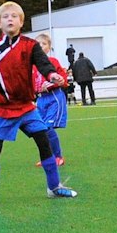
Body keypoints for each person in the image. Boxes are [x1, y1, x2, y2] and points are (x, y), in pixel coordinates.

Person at [0, 2, 74, 206]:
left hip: (26, 107)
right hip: (1, 108)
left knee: (44, 141)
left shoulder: (30, 46)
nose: (10, 19)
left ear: (21, 22)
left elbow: (43, 64)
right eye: (6, 16)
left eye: (14, 16)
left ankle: (54, 187)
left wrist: (52, 74)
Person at [32, 34, 69, 166]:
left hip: (54, 97)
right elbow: (31, 84)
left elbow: (63, 78)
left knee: (47, 127)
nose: (41, 46)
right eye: (38, 44)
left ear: (49, 47)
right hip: (41, 101)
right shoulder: (32, 66)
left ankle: (58, 157)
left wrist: (52, 84)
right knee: (39, 130)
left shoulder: (53, 61)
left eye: (44, 44)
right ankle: (47, 158)